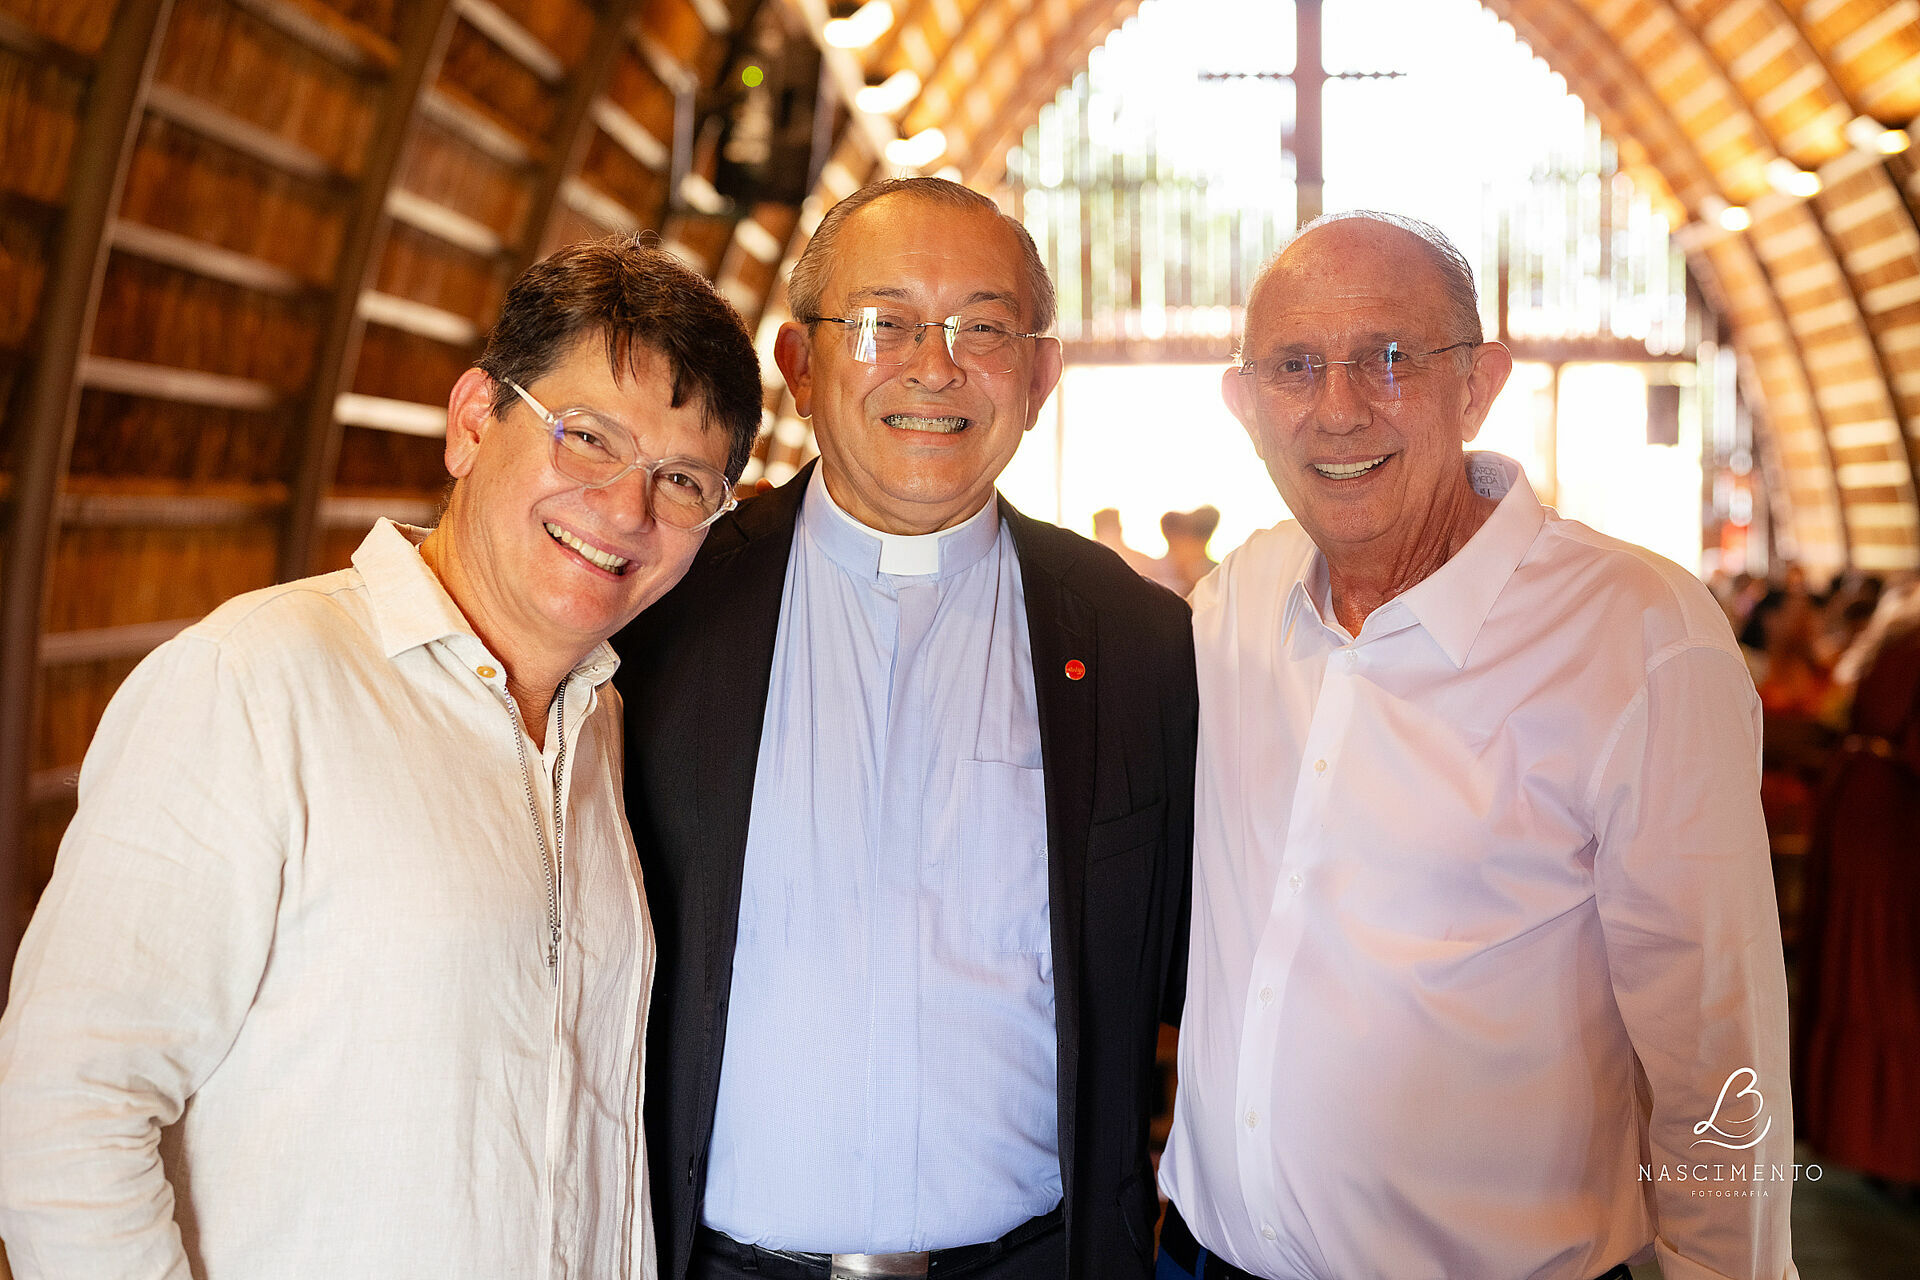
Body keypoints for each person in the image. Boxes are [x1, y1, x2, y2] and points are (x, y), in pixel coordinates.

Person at [0, 238, 763, 1279]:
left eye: (681, 480)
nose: (625, 510)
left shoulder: (603, 727)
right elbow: (63, 1103)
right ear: (470, 422)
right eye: (585, 437)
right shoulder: (257, 680)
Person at [1156, 211, 1795, 1280]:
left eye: (1392, 358)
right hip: (1202, 1260)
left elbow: (1716, 1050)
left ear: (1480, 382)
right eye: (1296, 366)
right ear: (1245, 401)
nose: (1340, 408)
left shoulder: (1635, 634)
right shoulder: (1234, 603)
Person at [615, 177, 1196, 1280]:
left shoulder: (1140, 644)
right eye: (885, 322)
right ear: (799, 363)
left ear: (1041, 372)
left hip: (1038, 1263)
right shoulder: (667, 607)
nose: (935, 366)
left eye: (984, 327)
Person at [1796, 578, 1920, 1194]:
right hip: (1892, 824)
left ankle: (1870, 1137)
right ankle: (1889, 1142)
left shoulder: (1901, 633)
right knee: (1885, 980)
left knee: (1865, 972)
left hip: (1866, 809)